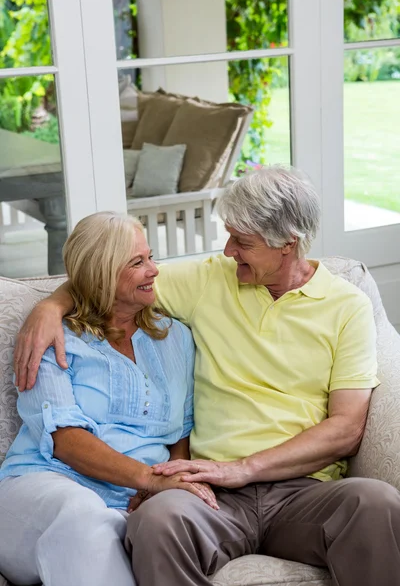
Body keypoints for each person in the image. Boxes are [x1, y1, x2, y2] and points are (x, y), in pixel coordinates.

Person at [13, 166, 400, 586]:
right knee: (158, 520)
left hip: (302, 491)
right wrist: (49, 306)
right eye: (229, 235)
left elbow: (346, 428)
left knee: (376, 501)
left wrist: (247, 467)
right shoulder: (208, 280)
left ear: (287, 244)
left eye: (243, 242)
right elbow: (108, 279)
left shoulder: (347, 306)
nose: (228, 250)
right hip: (212, 495)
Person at [0, 212, 217, 586]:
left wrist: (164, 489)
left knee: (129, 527)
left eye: (150, 257)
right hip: (44, 490)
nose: (154, 270)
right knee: (84, 516)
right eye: (138, 262)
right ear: (102, 273)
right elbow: (65, 440)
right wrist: (149, 479)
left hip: (131, 502)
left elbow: (180, 434)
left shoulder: (176, 337)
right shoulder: (53, 337)